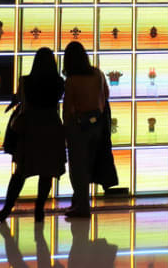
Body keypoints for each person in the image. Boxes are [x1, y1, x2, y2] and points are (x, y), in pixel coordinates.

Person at [0, 48, 65, 222]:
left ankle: (7, 207)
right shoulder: (58, 82)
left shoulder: (26, 81)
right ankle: (39, 209)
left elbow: (20, 100)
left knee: (21, 171)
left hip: (30, 127)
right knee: (47, 171)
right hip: (51, 126)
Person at [63, 41, 109, 219]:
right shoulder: (97, 73)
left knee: (77, 168)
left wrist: (66, 131)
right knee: (89, 165)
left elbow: (68, 109)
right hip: (97, 124)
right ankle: (79, 202)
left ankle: (82, 206)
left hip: (78, 127)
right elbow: (106, 94)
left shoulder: (72, 80)